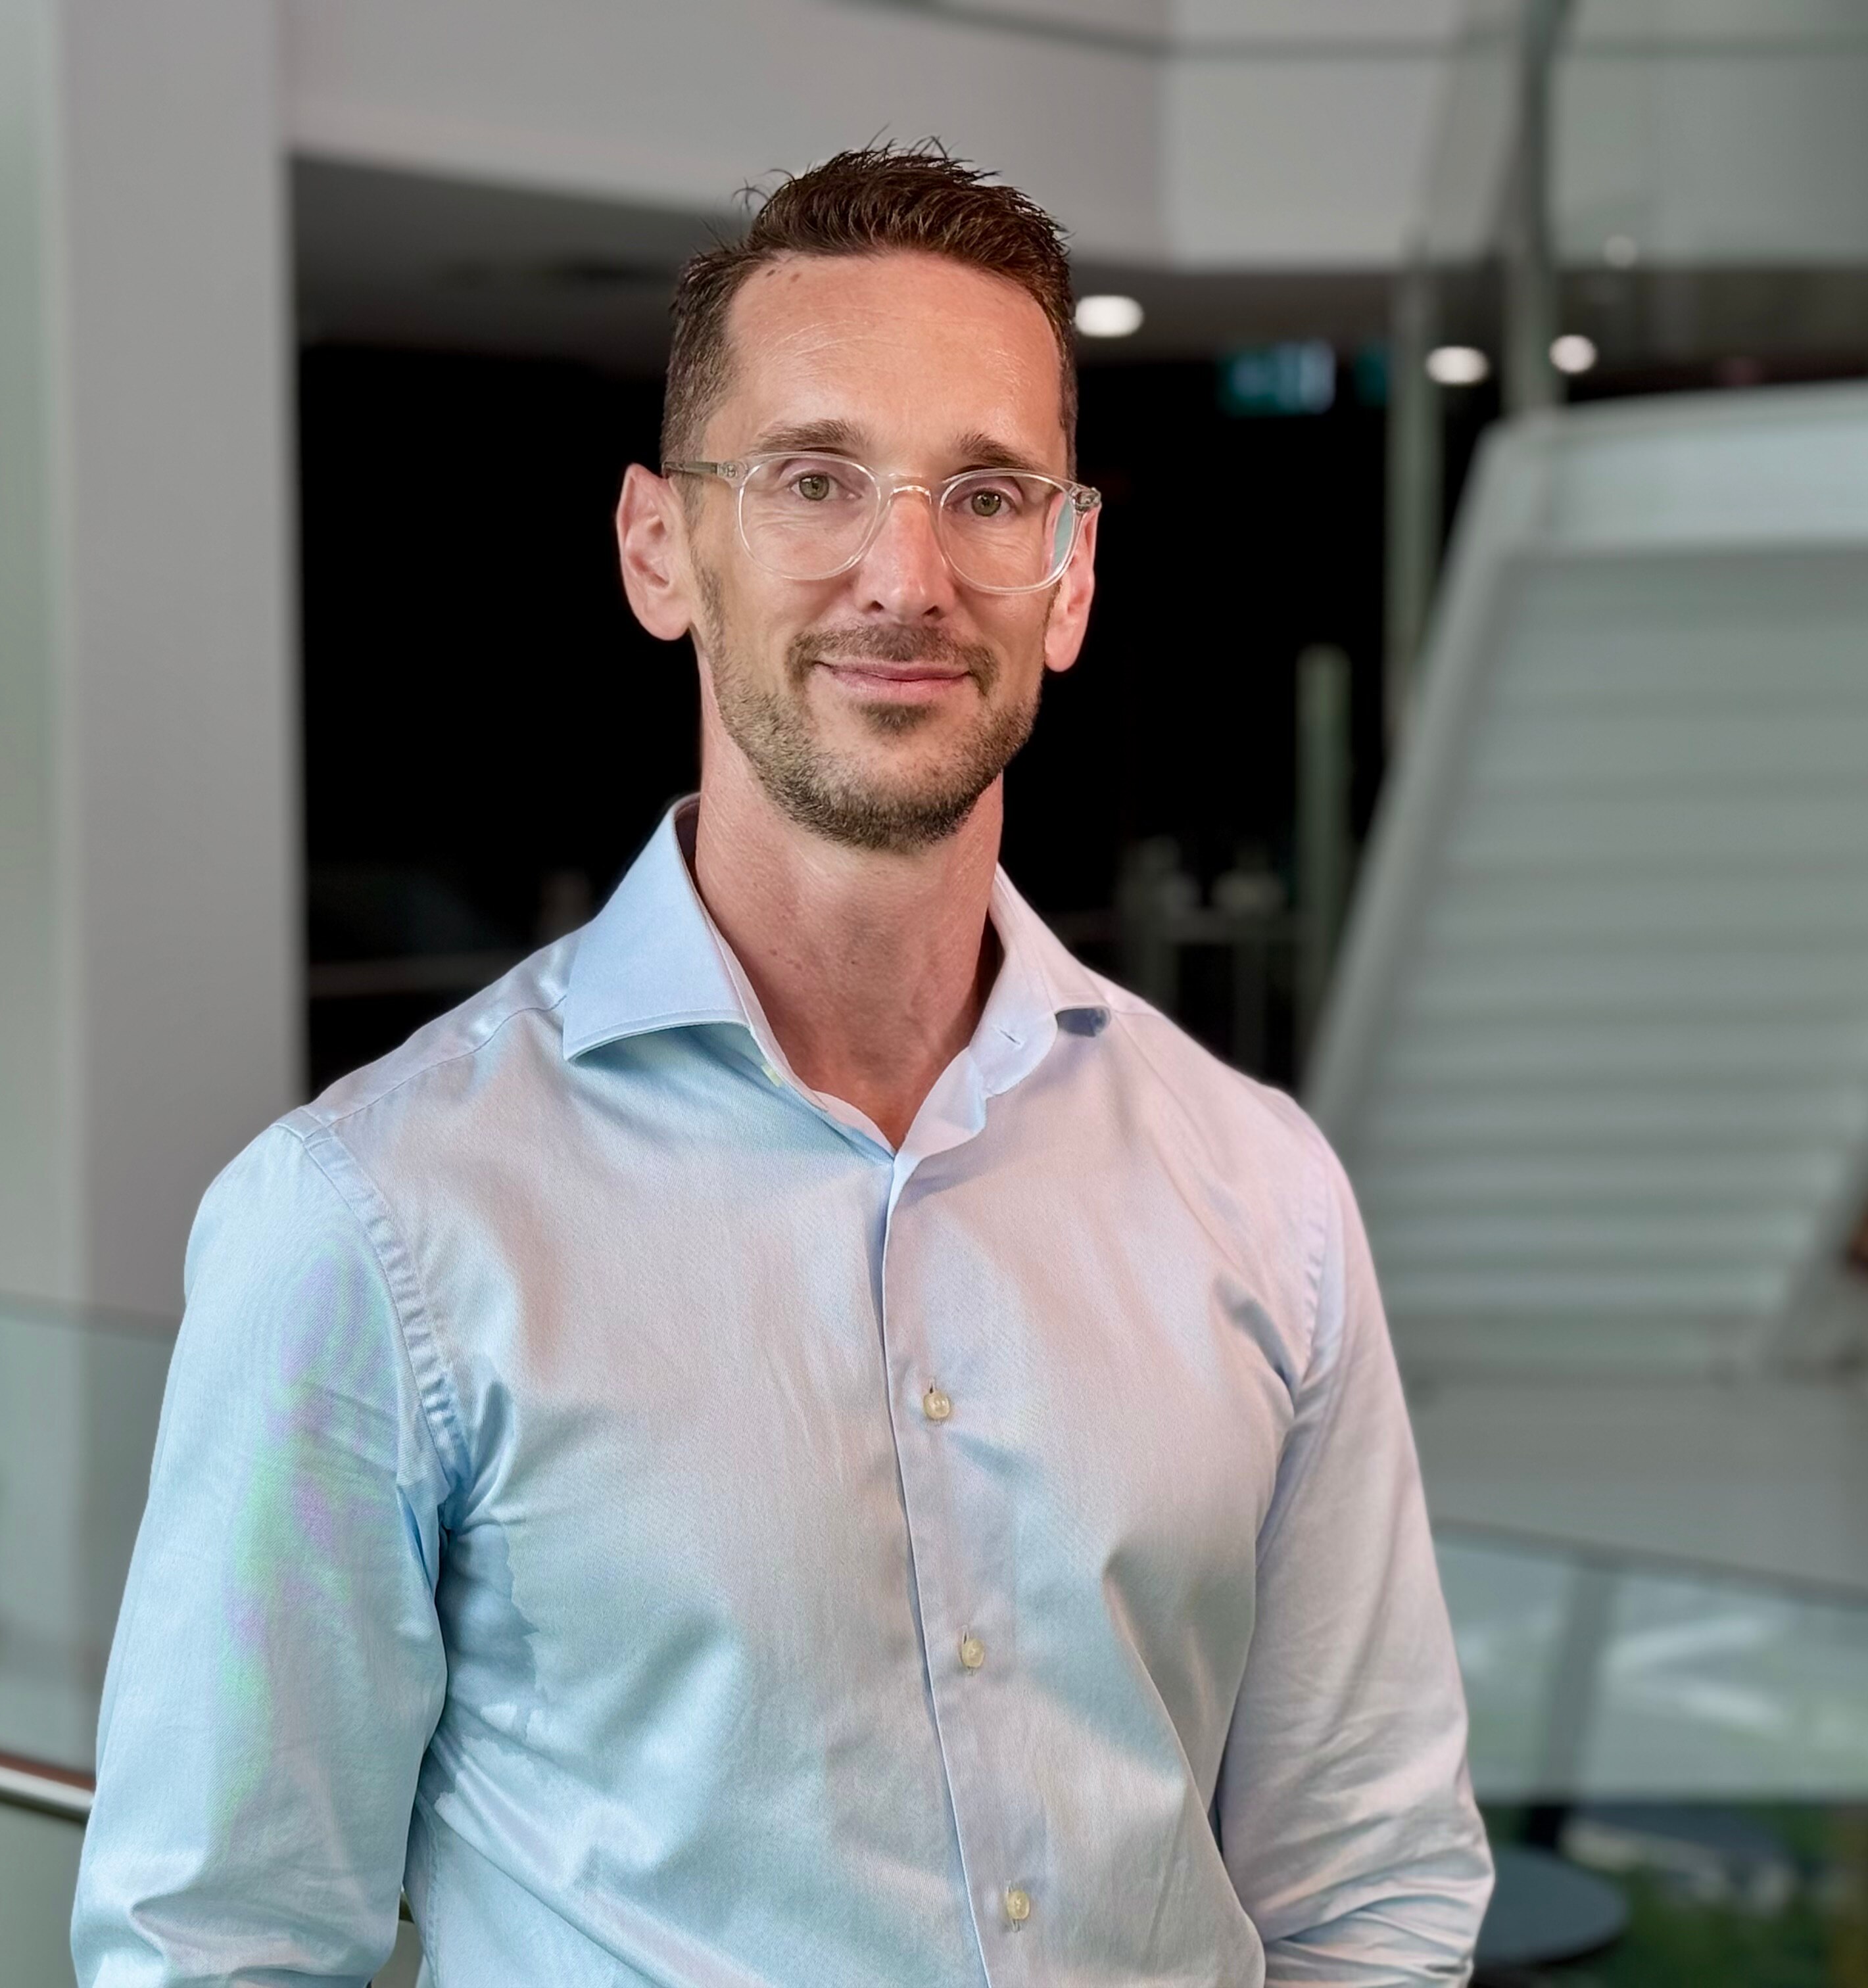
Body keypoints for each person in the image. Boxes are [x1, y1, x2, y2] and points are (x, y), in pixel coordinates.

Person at [73, 142, 1491, 1987]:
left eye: (988, 495)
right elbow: (221, 1945)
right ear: (664, 549)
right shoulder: (368, 1221)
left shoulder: (1262, 1189)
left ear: (1068, 578)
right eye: (816, 480)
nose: (906, 577)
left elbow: (1363, 1888)